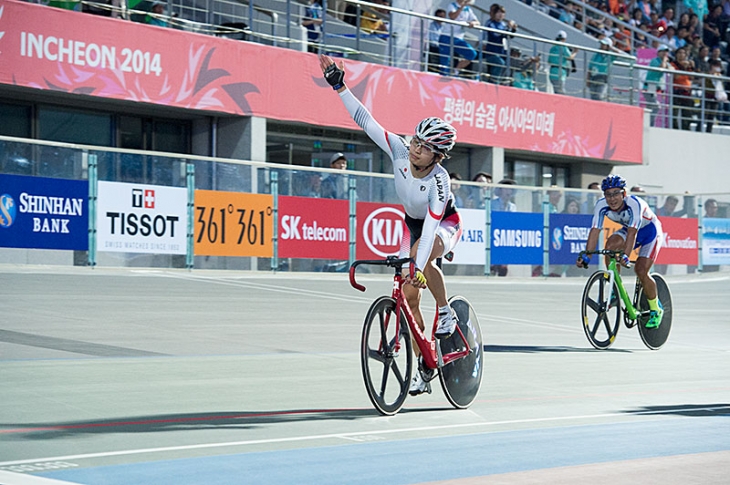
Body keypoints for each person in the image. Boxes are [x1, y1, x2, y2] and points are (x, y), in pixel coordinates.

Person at [319, 54, 464, 396]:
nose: (415, 149)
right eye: (416, 141)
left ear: (437, 156)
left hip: (443, 226)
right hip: (410, 224)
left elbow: (430, 230)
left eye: (425, 148)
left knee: (421, 260)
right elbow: (365, 120)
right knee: (407, 296)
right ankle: (425, 367)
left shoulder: (440, 182)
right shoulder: (399, 150)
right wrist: (339, 86)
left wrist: (417, 264)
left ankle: (446, 313)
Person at [577, 175, 665, 329]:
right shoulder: (601, 205)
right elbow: (595, 230)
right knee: (610, 246)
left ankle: (655, 309)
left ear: (624, 194)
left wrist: (625, 255)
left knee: (641, 270)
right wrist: (587, 255)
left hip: (650, 231)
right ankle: (614, 289)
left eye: (615, 193)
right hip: (630, 229)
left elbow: (632, 233)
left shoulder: (635, 204)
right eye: (608, 194)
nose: (612, 199)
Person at [439, 0, 480, 77]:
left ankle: (456, 70)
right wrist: (461, 7)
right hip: (447, 36)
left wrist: (473, 23)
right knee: (445, 61)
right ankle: (443, 76)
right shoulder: (452, 5)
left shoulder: (468, 9)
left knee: (472, 53)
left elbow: (477, 21)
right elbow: (452, 16)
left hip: (458, 38)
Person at [483, 3, 517, 84]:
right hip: (491, 52)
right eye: (498, 12)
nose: (500, 15)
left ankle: (496, 82)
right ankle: (494, 83)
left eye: (502, 13)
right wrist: (507, 28)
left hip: (501, 52)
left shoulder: (502, 24)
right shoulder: (490, 23)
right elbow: (495, 35)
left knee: (503, 65)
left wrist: (513, 29)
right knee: (499, 63)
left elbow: (508, 36)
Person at [643, 44, 670, 126]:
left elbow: (671, 69)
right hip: (649, 86)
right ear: (658, 52)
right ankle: (649, 125)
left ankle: (646, 124)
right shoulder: (654, 60)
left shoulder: (664, 62)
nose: (665, 53)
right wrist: (665, 60)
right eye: (663, 52)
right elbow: (661, 68)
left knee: (650, 107)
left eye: (666, 52)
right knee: (656, 106)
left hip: (655, 87)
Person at [670, 47, 695, 131]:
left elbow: (691, 77)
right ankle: (675, 129)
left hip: (686, 91)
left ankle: (686, 129)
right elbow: (676, 76)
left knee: (687, 113)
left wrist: (691, 67)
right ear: (676, 55)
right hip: (677, 90)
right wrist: (683, 67)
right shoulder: (673, 64)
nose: (681, 55)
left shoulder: (687, 65)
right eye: (679, 53)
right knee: (675, 112)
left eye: (683, 53)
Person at [548, 30, 576, 95]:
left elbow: (549, 61)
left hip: (552, 72)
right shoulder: (563, 46)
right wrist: (575, 52)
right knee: (560, 92)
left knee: (556, 91)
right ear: (564, 39)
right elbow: (570, 57)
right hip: (560, 72)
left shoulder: (553, 47)